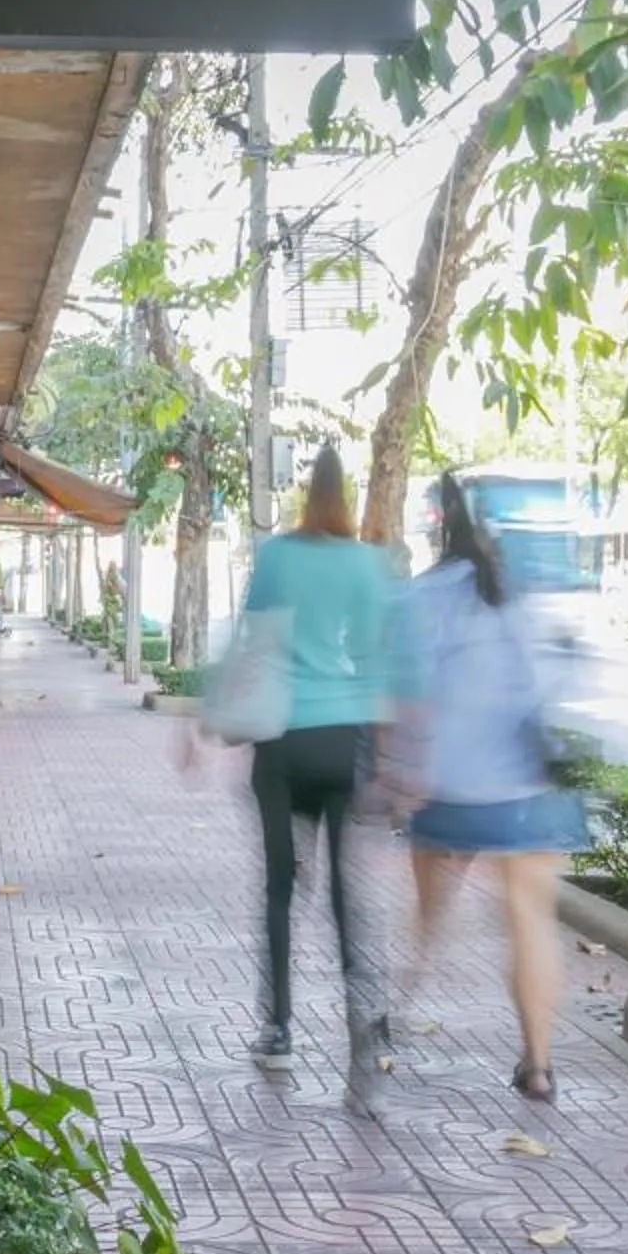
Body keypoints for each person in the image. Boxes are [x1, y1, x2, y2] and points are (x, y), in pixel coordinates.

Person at [386, 472, 588, 1102]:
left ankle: (395, 1008)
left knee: (428, 913)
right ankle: (538, 1062)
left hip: (447, 790)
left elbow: (405, 698)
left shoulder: (422, 598)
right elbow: (556, 684)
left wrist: (398, 775)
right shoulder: (522, 596)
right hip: (526, 791)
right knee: (531, 920)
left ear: (439, 529)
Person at [234, 445, 395, 1109]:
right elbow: (374, 658)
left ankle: (278, 1027)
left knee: (279, 887)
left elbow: (254, 644)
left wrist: (213, 721)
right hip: (341, 740)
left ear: (306, 493)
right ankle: (367, 1027)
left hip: (281, 740)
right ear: (348, 497)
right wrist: (383, 758)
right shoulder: (366, 564)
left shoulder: (276, 556)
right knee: (346, 895)